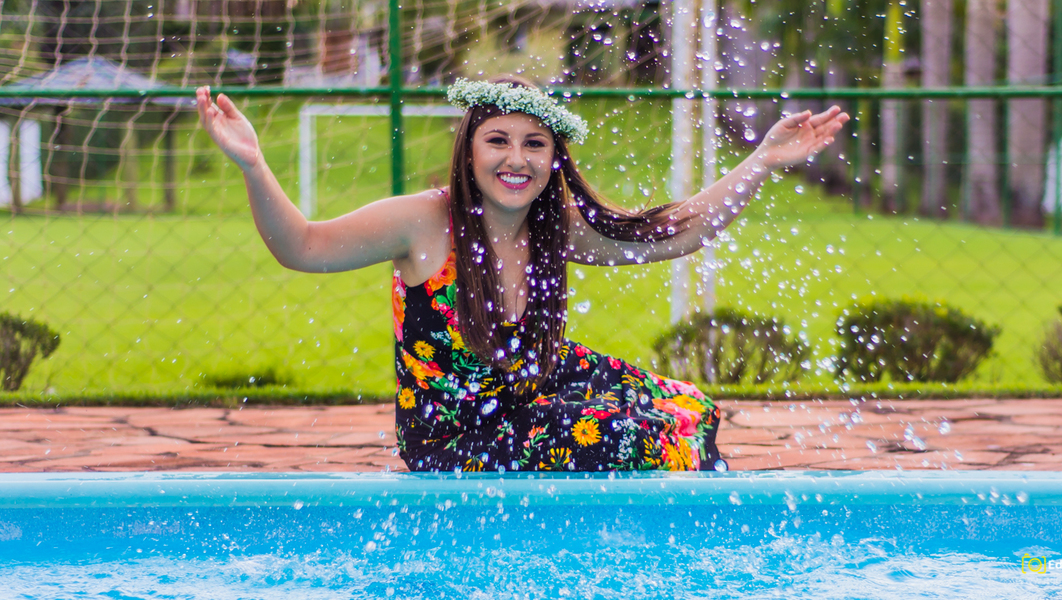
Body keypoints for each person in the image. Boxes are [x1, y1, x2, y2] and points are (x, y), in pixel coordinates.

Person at [195, 75, 849, 473]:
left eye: (534, 144)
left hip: (534, 384)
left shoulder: (552, 225)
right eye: (498, 140)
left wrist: (760, 162)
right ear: (469, 151)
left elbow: (672, 235)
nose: (517, 159)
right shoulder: (424, 222)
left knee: (688, 409)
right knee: (636, 436)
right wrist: (254, 164)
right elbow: (303, 246)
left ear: (553, 158)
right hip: (457, 435)